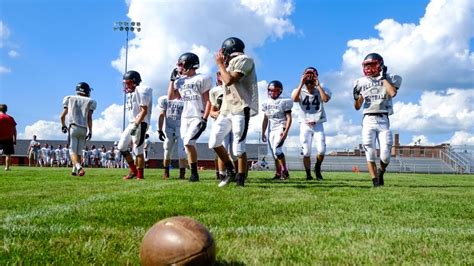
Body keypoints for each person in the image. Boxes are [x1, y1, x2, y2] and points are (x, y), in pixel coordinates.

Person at [210, 37, 259, 187]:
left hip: (240, 107)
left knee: (239, 147)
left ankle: (241, 180)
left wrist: (220, 65)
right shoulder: (229, 63)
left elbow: (229, 80)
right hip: (226, 109)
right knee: (214, 141)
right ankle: (231, 170)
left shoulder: (245, 59)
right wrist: (223, 65)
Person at [353, 53, 402, 187]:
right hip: (368, 118)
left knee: (386, 154)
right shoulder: (360, 82)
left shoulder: (390, 78)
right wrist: (359, 100)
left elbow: (392, 93)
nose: (369, 68)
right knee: (370, 150)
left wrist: (383, 78)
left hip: (383, 118)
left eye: (372, 65)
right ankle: (375, 181)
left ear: (379, 64)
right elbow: (357, 107)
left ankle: (381, 171)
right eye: (367, 65)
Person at [168, 52, 211, 182]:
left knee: (188, 142)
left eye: (182, 64)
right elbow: (171, 97)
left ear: (189, 64)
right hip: (185, 117)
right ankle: (194, 174)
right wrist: (171, 80)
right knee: (187, 146)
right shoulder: (180, 81)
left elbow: (208, 100)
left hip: (197, 115)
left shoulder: (202, 78)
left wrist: (205, 118)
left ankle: (194, 173)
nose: (179, 67)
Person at [291, 67, 332, 181]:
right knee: (306, 152)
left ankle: (317, 168)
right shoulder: (299, 90)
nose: (309, 83)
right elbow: (294, 99)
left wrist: (318, 86)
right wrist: (301, 83)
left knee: (321, 150)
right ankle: (308, 174)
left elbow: (325, 99)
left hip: (318, 123)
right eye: (307, 78)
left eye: (311, 78)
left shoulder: (322, 89)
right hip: (305, 124)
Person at [117, 70, 153, 180]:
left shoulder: (141, 90)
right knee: (122, 146)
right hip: (132, 122)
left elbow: (144, 110)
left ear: (134, 82)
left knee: (138, 150)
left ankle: (140, 176)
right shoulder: (131, 93)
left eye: (127, 83)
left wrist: (136, 124)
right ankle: (133, 170)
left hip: (140, 122)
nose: (126, 85)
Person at [60, 82, 96, 176]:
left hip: (73, 127)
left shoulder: (69, 98)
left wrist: (63, 125)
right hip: (83, 128)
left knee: (72, 150)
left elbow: (62, 116)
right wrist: (90, 130)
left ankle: (79, 168)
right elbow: (89, 118)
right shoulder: (90, 101)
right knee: (79, 151)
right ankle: (74, 170)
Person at [261, 80, 293, 180]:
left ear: (280, 91)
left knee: (277, 149)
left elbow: (289, 118)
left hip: (280, 127)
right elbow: (265, 119)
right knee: (274, 153)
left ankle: (285, 171)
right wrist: (263, 132)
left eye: (276, 90)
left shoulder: (284, 101)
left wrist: (286, 131)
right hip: (271, 129)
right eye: (271, 90)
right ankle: (278, 173)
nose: (273, 93)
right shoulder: (266, 103)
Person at [208, 72, 237, 181]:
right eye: (218, 74)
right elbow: (212, 111)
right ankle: (222, 174)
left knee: (236, 150)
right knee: (221, 146)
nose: (220, 76)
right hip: (222, 119)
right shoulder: (215, 91)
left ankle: (240, 174)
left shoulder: (236, 87)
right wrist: (218, 114)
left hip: (234, 119)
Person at [157, 95, 187, 179]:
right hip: (169, 129)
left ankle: (182, 174)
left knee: (182, 152)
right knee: (167, 152)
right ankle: (166, 172)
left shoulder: (185, 99)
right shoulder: (164, 99)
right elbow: (161, 115)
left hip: (181, 128)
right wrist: (159, 130)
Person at [0, 104, 17, 171]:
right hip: (8, 138)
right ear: (6, 110)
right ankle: (7, 167)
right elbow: (14, 130)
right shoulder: (10, 118)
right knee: (8, 154)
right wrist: (15, 139)